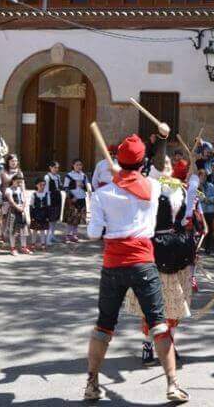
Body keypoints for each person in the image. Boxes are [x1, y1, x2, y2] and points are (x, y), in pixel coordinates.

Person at [84, 130, 189, 403]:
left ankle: (91, 384)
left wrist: (106, 204)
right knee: (159, 324)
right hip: (143, 263)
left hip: (113, 264)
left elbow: (94, 234)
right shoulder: (153, 188)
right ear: (141, 163)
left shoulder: (102, 194)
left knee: (103, 326)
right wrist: (161, 140)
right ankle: (172, 385)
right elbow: (154, 171)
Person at [125, 150, 198, 372]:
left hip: (177, 249)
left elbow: (186, 217)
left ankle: (170, 345)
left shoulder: (179, 189)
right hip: (156, 248)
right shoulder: (151, 186)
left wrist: (192, 187)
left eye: (170, 162)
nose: (168, 164)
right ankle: (148, 345)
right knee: (154, 303)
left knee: (175, 303)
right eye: (163, 162)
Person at [63, 159, 92, 243]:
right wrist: (72, 197)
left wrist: (85, 186)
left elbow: (88, 187)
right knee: (70, 217)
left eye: (80, 165)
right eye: (77, 165)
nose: (79, 166)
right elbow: (65, 187)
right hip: (72, 199)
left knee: (78, 217)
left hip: (81, 198)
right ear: (73, 165)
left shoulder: (84, 176)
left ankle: (74, 234)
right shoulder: (69, 175)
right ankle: (68, 235)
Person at [4, 173, 31, 255]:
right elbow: (11, 201)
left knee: (23, 230)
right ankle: (13, 248)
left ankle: (24, 247)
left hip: (21, 211)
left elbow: (24, 199)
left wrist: (22, 207)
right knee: (13, 231)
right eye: (18, 182)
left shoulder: (20, 189)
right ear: (13, 181)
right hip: (13, 211)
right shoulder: (8, 190)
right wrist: (18, 208)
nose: (19, 184)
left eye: (20, 182)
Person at [0, 154, 23, 245]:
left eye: (16, 161)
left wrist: (23, 197)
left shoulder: (19, 172)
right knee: (4, 218)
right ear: (8, 162)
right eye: (12, 161)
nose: (14, 163)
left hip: (17, 198)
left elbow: (22, 186)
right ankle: (3, 236)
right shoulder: (3, 172)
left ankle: (14, 236)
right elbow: (0, 185)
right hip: (5, 198)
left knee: (16, 217)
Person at [198, 169, 214, 254]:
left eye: (204, 176)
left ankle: (207, 247)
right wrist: (203, 199)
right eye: (201, 176)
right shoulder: (197, 186)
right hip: (201, 211)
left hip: (210, 211)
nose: (203, 178)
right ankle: (199, 246)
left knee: (210, 230)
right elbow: (196, 198)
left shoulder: (210, 185)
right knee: (201, 229)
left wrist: (208, 200)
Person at [44, 161, 64, 245]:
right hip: (51, 199)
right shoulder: (47, 177)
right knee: (50, 219)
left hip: (58, 198)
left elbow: (60, 186)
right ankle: (47, 238)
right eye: (54, 167)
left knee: (55, 219)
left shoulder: (58, 177)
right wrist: (47, 202)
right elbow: (46, 190)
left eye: (57, 168)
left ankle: (52, 236)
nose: (56, 169)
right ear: (50, 168)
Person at [30, 177, 52, 250]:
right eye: (40, 185)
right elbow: (31, 206)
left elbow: (48, 206)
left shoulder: (47, 194)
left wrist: (48, 216)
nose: (42, 187)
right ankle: (33, 244)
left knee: (43, 230)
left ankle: (43, 244)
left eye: (43, 185)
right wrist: (31, 217)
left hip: (44, 214)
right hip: (36, 214)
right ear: (37, 185)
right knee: (35, 230)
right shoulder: (34, 194)